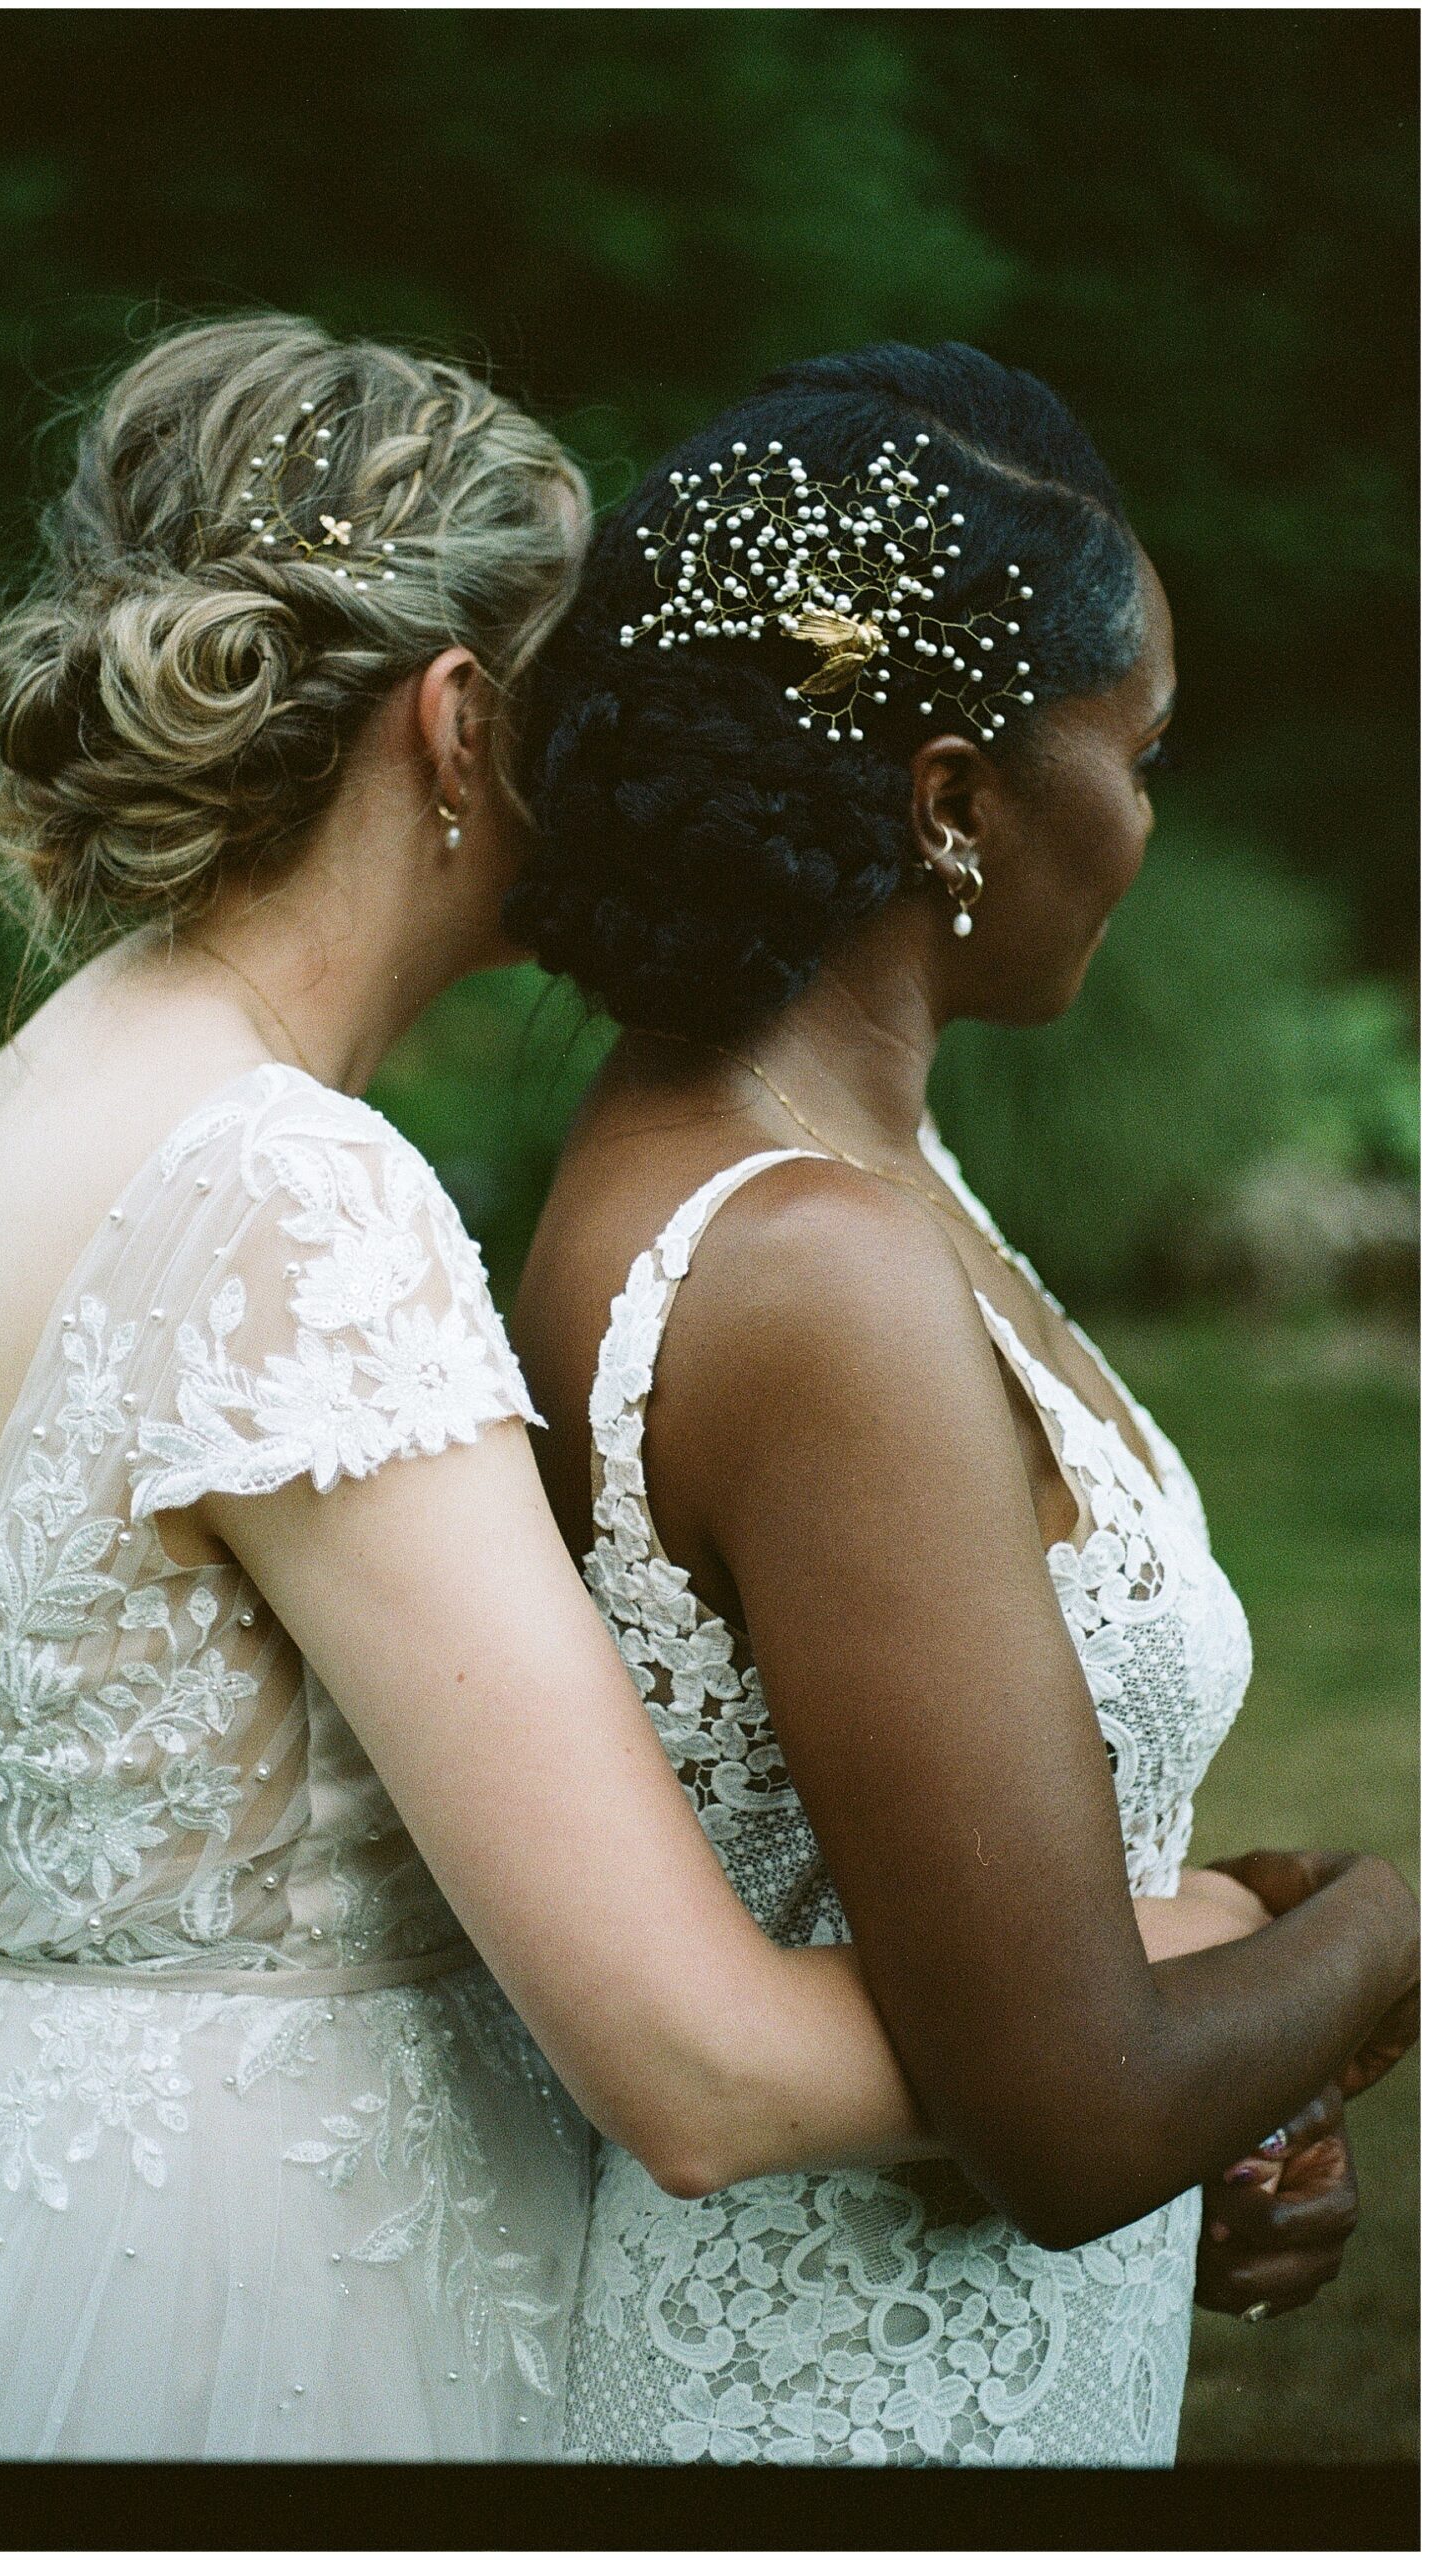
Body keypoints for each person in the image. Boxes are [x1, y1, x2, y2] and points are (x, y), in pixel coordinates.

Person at [0, 316, 1374, 2465]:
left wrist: (1180, 1999)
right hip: (240, 2287)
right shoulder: (286, 1197)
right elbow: (698, 2066)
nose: (648, 762)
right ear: (452, 722)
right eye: (582, 714)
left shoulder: (50, 1091)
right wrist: (1234, 1941)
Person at [507, 342, 1418, 2466]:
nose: (1154, 813)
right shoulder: (804, 1262)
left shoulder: (824, 1169)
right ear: (949, 803)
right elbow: (1064, 2110)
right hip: (829, 2426)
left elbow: (970, 1968)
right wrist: (1369, 1931)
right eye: (1141, 745)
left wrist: (1242, 2062)